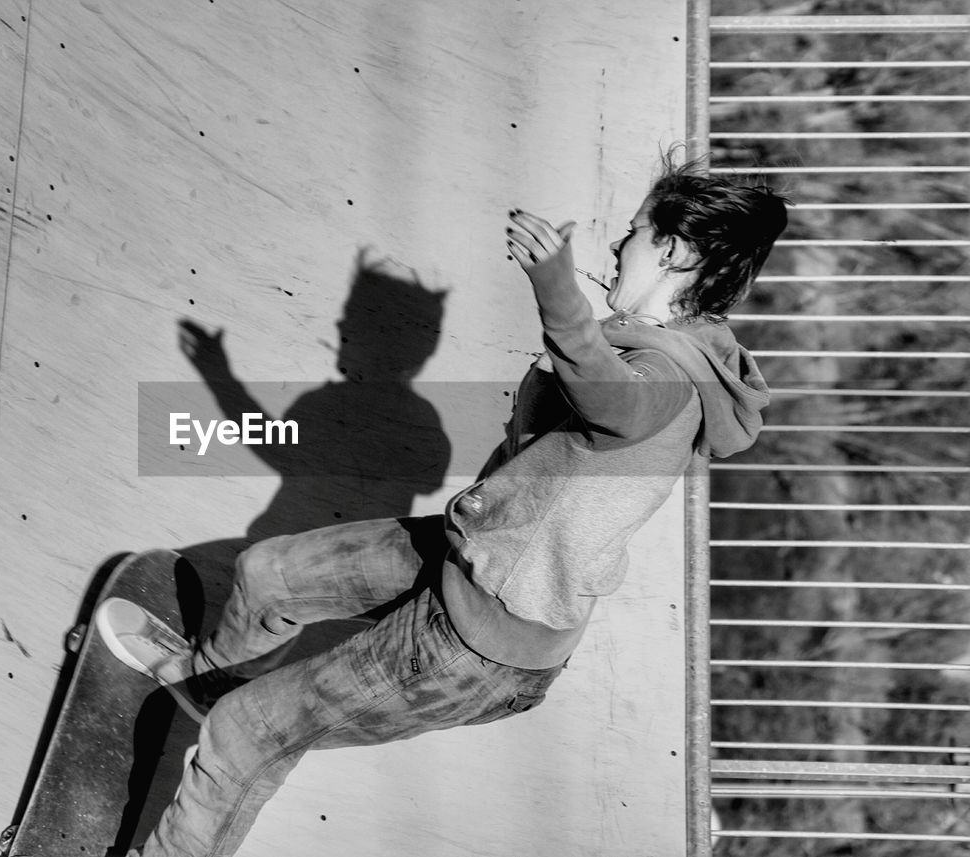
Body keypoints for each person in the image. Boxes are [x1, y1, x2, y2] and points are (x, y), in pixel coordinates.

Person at [97, 155, 788, 857]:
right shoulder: (670, 349)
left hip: (479, 645)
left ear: (671, 250)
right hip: (466, 555)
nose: (617, 246)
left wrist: (554, 285)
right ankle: (202, 682)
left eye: (635, 232)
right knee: (268, 574)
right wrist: (220, 378)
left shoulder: (668, 378)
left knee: (248, 734)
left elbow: (611, 398)